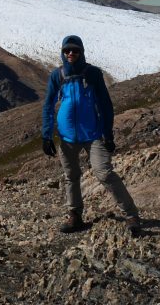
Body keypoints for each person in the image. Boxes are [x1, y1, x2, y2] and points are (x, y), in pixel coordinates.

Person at [41, 35, 140, 234]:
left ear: (81, 52)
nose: (71, 54)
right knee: (71, 176)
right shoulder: (57, 76)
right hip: (67, 137)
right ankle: (75, 215)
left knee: (104, 172)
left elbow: (105, 104)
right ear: (62, 52)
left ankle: (131, 214)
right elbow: (48, 105)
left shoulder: (93, 74)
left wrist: (108, 134)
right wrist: (46, 135)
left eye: (75, 50)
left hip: (93, 135)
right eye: (67, 50)